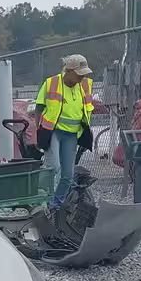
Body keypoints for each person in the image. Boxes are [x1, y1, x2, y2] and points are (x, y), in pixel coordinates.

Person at [31, 54, 95, 209]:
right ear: (69, 71)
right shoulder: (52, 83)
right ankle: (36, 195)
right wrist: (38, 130)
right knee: (53, 166)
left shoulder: (84, 86)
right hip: (53, 132)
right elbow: (39, 108)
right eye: (79, 74)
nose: (83, 77)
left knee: (67, 175)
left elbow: (87, 110)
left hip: (72, 135)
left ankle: (55, 205)